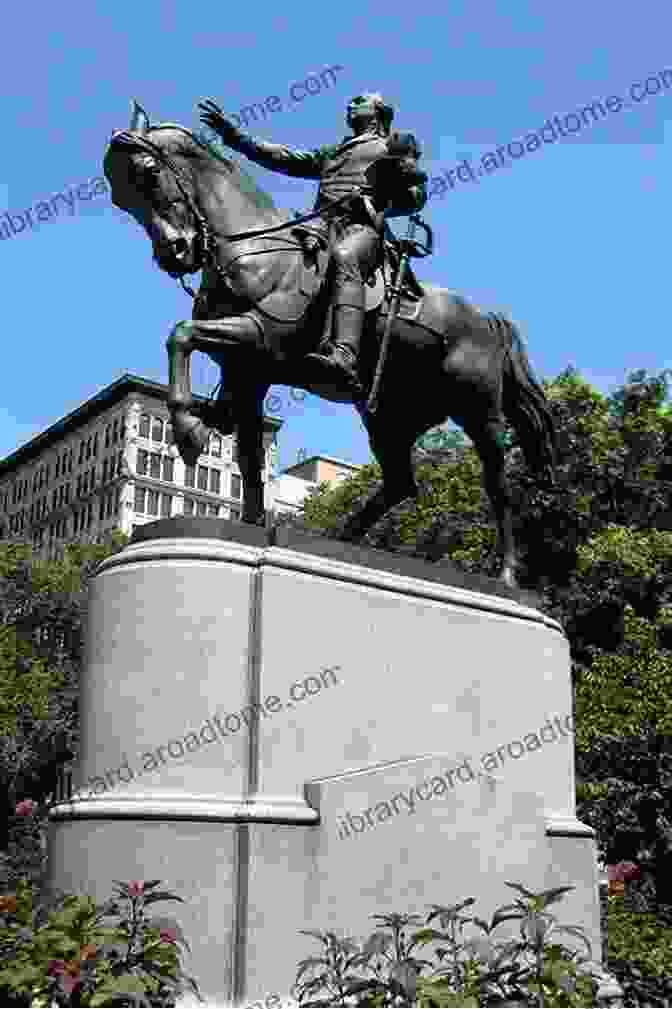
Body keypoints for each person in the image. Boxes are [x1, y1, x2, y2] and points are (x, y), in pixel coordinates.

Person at [198, 92, 427, 396]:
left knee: (346, 257)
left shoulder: (392, 145)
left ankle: (344, 355)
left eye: (359, 101)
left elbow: (416, 197)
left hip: (361, 231)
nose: (349, 104)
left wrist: (379, 200)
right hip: (319, 228)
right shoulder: (335, 151)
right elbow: (283, 157)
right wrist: (233, 135)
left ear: (377, 112)